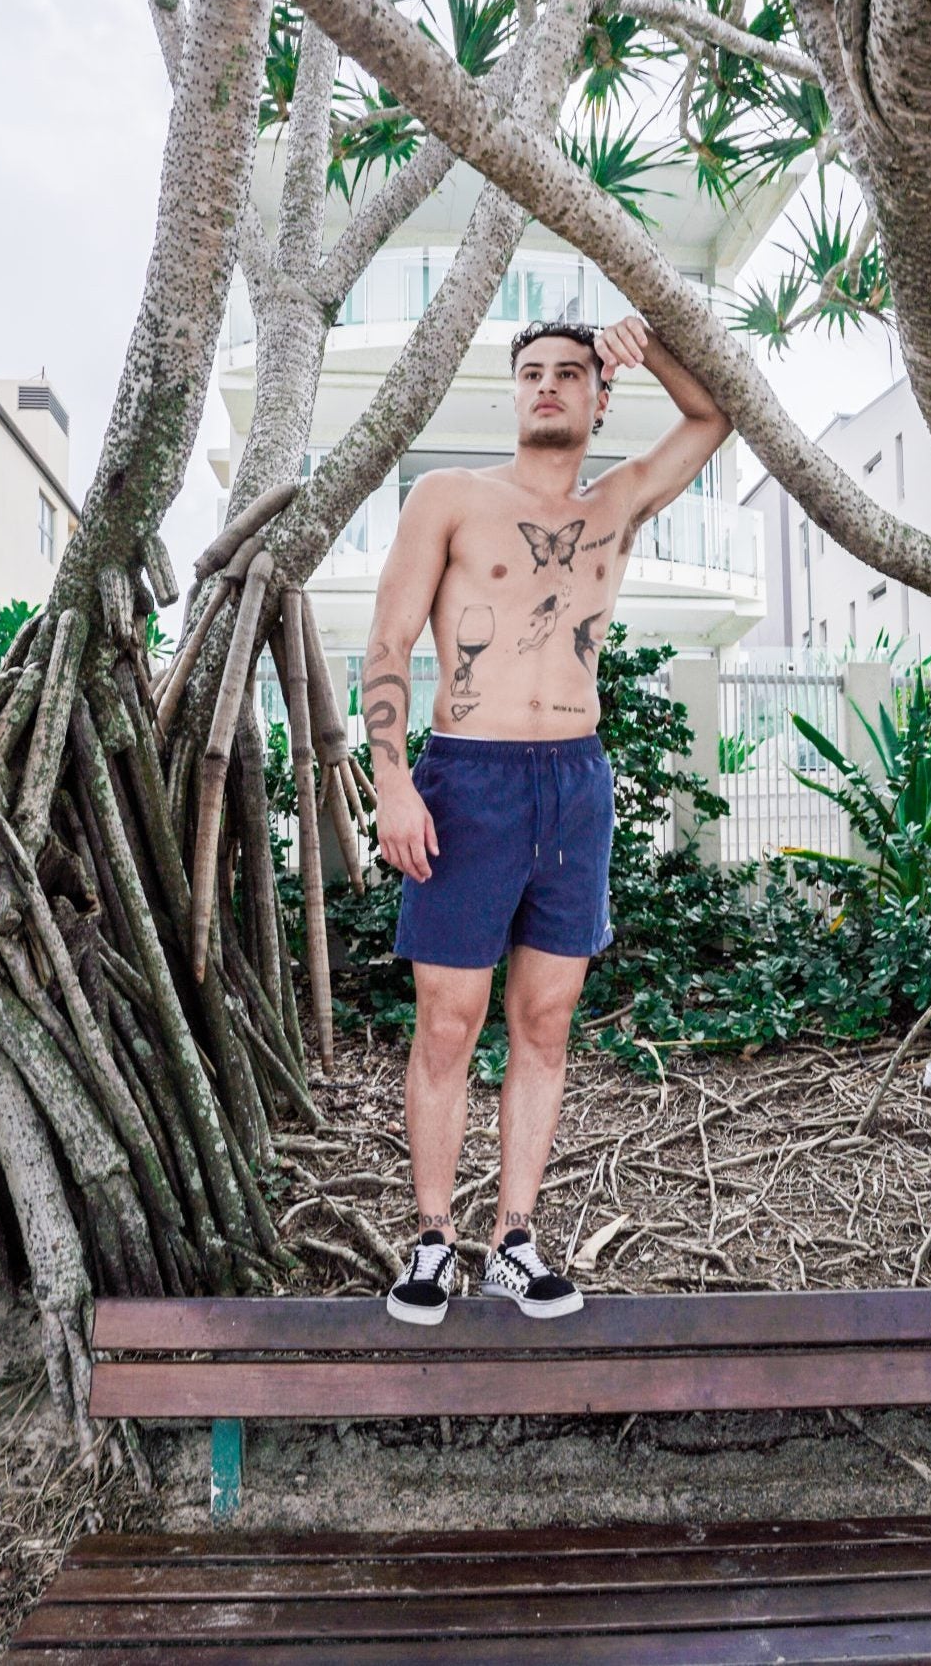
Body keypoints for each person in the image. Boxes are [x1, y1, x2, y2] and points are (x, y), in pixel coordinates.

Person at [364, 314, 731, 1324]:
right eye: (533, 373)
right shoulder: (450, 498)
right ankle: (432, 1238)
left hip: (574, 781)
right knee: (448, 1021)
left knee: (545, 1019)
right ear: (513, 392)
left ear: (597, 396)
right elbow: (389, 643)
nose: (549, 388)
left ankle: (514, 1236)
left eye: (571, 374)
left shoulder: (619, 501)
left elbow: (713, 416)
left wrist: (643, 344)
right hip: (466, 779)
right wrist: (393, 781)